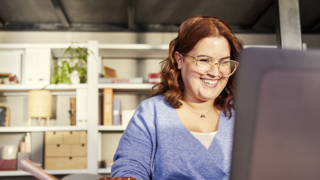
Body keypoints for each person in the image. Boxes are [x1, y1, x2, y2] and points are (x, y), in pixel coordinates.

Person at [111, 15, 243, 180]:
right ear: (179, 59)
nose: (215, 72)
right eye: (204, 60)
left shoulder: (242, 116)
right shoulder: (151, 113)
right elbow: (129, 169)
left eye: (224, 62)